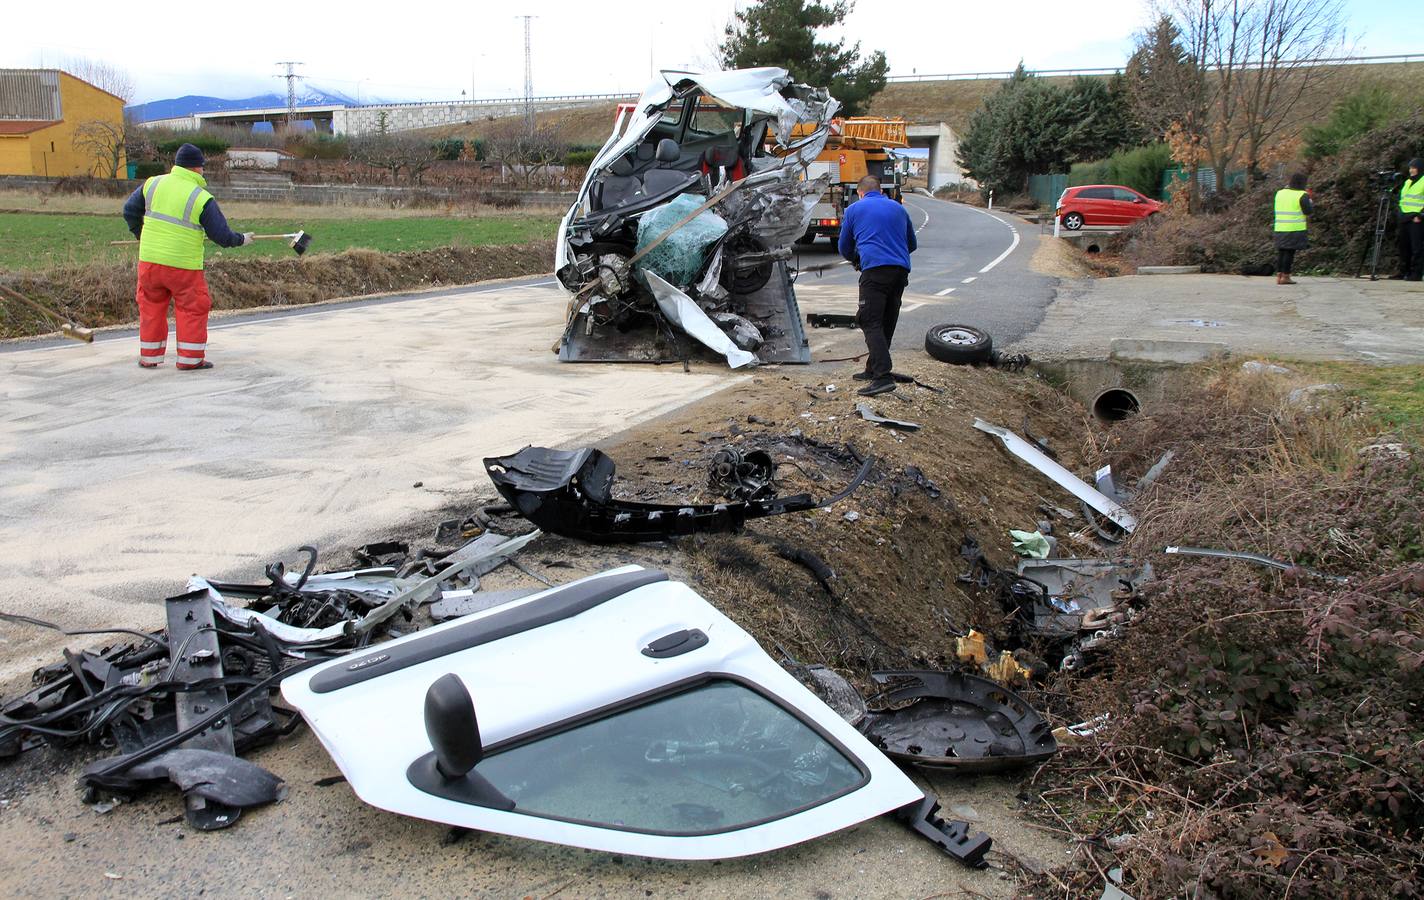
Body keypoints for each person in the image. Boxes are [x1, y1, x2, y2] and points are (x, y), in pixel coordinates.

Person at [121, 143, 253, 370]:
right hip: (183, 266)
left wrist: (141, 235)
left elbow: (129, 210)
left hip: (150, 262)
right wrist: (241, 239)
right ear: (197, 168)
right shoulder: (201, 196)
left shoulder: (153, 183)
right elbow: (221, 235)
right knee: (192, 308)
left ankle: (149, 357)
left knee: (151, 306)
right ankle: (190, 359)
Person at [838, 174, 917, 396]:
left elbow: (844, 247)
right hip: (901, 271)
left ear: (860, 193)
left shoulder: (854, 209)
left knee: (868, 319)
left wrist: (857, 260)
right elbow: (912, 243)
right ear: (881, 191)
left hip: (875, 271)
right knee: (886, 320)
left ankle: (882, 376)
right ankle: (873, 369)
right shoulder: (898, 208)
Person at [1272, 172, 1313, 285]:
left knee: (1281, 252)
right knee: (1289, 253)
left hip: (1280, 227)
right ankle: (1286, 276)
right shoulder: (1302, 195)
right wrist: (1310, 199)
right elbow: (1308, 211)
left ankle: (1279, 276)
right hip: (1294, 228)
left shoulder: (1279, 193)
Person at [1394, 158, 1424, 282]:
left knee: (1416, 247)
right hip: (1404, 218)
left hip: (1416, 219)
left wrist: (1421, 215)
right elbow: (1402, 199)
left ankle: (1416, 273)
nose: (1411, 170)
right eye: (1410, 168)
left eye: (1413, 168)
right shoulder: (1407, 182)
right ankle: (1404, 271)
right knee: (1403, 247)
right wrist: (1400, 213)